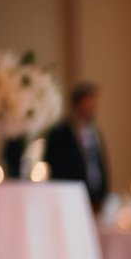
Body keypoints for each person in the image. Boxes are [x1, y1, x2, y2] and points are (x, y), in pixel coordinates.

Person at [45, 81, 110, 210]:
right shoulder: (60, 133)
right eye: (88, 103)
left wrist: (103, 193)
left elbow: (100, 164)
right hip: (70, 196)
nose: (92, 108)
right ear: (78, 104)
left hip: (96, 197)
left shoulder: (95, 132)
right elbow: (55, 166)